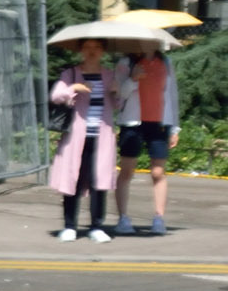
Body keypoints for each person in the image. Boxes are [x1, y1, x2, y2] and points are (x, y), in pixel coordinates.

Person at [50, 38, 123, 241]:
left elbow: (118, 104)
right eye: (87, 47)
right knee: (72, 180)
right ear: (81, 50)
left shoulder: (109, 75)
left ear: (103, 51)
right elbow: (56, 95)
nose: (92, 51)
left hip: (101, 138)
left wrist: (117, 92)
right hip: (75, 138)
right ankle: (69, 225)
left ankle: (96, 226)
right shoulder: (71, 73)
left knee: (98, 181)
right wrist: (74, 88)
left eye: (97, 47)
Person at [112, 44, 178, 235]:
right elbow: (118, 96)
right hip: (132, 123)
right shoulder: (126, 63)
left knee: (158, 172)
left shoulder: (166, 62)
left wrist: (175, 127)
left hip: (159, 123)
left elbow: (172, 95)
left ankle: (159, 218)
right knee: (127, 171)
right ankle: (123, 218)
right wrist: (133, 79)